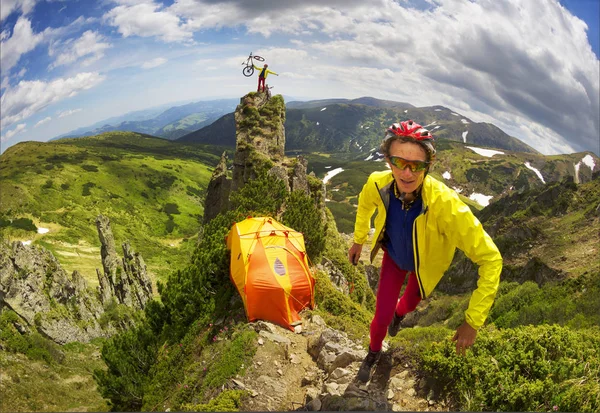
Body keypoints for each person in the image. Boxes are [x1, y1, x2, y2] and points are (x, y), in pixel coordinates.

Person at [348, 120, 502, 383]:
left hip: (425, 268)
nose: (407, 173)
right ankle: (373, 352)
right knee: (380, 317)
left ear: (428, 166)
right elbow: (365, 206)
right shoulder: (378, 184)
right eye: (399, 162)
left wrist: (472, 321)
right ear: (387, 160)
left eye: (416, 165)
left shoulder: (445, 204)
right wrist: (359, 240)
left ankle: (400, 314)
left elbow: (491, 259)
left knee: (407, 304)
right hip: (395, 258)